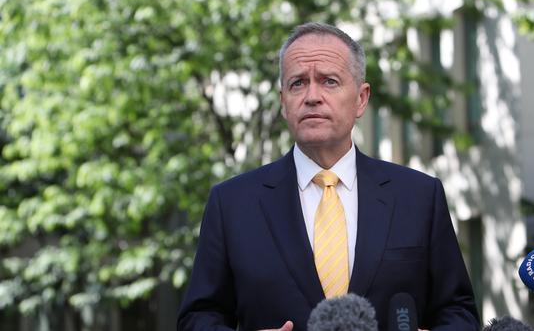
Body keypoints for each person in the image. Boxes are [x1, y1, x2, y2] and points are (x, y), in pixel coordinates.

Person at [177, 22, 480, 331]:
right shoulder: (232, 204)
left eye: (329, 81)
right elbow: (199, 317)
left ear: (361, 99)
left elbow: (457, 311)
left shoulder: (418, 197)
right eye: (297, 83)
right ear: (283, 102)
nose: (312, 96)